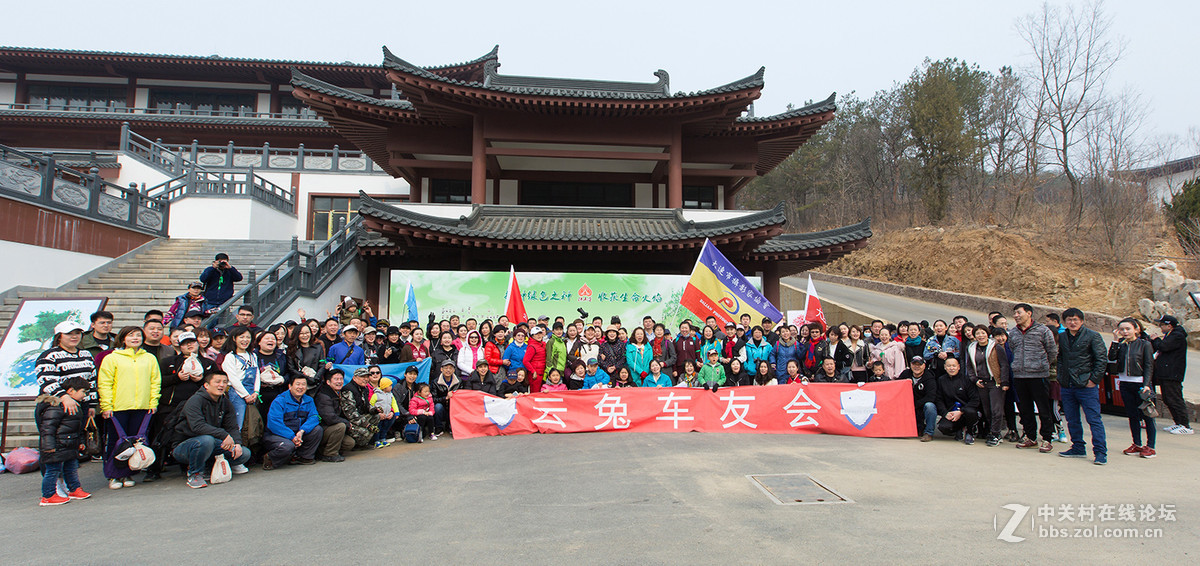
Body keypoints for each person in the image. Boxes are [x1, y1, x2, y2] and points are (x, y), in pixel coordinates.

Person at [97, 326, 161, 490]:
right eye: (131, 335)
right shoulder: (112, 358)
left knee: (135, 441)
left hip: (142, 406)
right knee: (116, 442)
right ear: (123, 338)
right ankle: (113, 475)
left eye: (138, 335)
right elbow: (104, 383)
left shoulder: (149, 358)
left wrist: (153, 402)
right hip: (118, 407)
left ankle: (127, 473)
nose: (135, 338)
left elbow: (155, 382)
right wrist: (106, 405)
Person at [169, 370, 252, 489]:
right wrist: (224, 435)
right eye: (217, 382)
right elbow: (197, 426)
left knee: (244, 453)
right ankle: (194, 474)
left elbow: (232, 427)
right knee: (206, 440)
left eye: (224, 382)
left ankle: (209, 466)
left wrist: (237, 443)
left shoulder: (225, 402)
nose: (221, 385)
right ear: (206, 385)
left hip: (212, 443)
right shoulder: (195, 400)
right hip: (185, 446)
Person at [1055, 308, 1108, 464]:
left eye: (1076, 319)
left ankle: (1100, 452)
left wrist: (1093, 380)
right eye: (1069, 320)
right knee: (1072, 419)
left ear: (1082, 321)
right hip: (1067, 385)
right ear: (1065, 322)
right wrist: (1060, 376)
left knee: (1094, 419)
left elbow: (1101, 360)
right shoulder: (1063, 337)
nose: (1072, 322)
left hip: (1086, 385)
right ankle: (1078, 447)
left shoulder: (1093, 336)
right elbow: (1060, 358)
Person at [1008, 303, 1059, 453]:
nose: (1016, 316)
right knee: (1025, 408)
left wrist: (1042, 365)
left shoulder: (1043, 330)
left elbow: (1052, 351)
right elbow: (1013, 349)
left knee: (1043, 408)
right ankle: (1030, 437)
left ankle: (1047, 438)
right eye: (1014, 313)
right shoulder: (1013, 333)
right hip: (1019, 375)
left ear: (1029, 313)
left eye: (1018, 313)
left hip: (1039, 375)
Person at [36, 376, 92, 506]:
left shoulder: (76, 405)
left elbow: (77, 427)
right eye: (83, 392)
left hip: (70, 444)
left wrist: (80, 441)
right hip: (56, 446)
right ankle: (48, 496)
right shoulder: (55, 406)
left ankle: (74, 489)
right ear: (71, 391)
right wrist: (49, 447)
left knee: (71, 468)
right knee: (53, 471)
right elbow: (47, 429)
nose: (84, 395)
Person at [1110, 318, 1159, 459]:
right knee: (1132, 415)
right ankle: (1136, 443)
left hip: (1140, 384)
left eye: (1128, 329)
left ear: (1136, 329)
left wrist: (1146, 385)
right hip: (1125, 383)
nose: (1125, 332)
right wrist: (1114, 340)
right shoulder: (1120, 344)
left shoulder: (1145, 344)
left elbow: (1149, 366)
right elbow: (1112, 357)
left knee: (1148, 415)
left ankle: (1150, 446)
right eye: (1122, 329)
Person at [963, 325, 1010, 447]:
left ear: (987, 334)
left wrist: (1004, 382)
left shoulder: (996, 347)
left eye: (983, 333)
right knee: (987, 410)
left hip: (995, 382)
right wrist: (974, 379)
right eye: (977, 333)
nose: (980, 336)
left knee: (996, 409)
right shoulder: (972, 348)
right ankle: (992, 431)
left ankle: (996, 434)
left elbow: (1004, 365)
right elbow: (969, 366)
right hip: (981, 382)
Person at [262, 375, 322, 469]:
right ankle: (270, 459)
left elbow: (315, 417)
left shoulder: (308, 400)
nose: (301, 387)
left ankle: (303, 457)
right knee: (287, 446)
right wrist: (292, 436)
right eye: (298, 384)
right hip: (277, 435)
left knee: (317, 430)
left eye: (303, 384)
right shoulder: (280, 401)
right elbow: (274, 424)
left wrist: (302, 431)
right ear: (290, 386)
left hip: (297, 433)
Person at [1151, 315, 1192, 434]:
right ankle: (1177, 423)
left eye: (1162, 325)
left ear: (1169, 326)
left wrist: (1155, 339)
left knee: (1175, 398)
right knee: (1167, 398)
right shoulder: (1170, 335)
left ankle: (1185, 425)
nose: (1160, 328)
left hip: (1172, 374)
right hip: (1166, 373)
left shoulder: (1177, 336)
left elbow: (1163, 346)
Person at [220, 327, 259, 429]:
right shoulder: (230, 357)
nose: (245, 340)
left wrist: (256, 391)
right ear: (234, 338)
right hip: (237, 393)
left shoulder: (253, 355)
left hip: (252, 393)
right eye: (241, 337)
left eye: (248, 337)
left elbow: (257, 374)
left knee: (251, 423)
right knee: (238, 423)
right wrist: (246, 395)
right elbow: (233, 378)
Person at [312, 369, 355, 462]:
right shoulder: (324, 396)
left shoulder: (339, 393)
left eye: (341, 379)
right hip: (322, 428)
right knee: (341, 426)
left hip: (331, 428)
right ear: (328, 382)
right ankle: (330, 454)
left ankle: (323, 450)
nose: (339, 381)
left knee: (349, 443)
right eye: (336, 379)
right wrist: (346, 423)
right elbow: (330, 418)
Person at [933, 358, 979, 445]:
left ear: (958, 367)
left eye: (954, 366)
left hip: (965, 411)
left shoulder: (966, 380)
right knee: (944, 428)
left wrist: (961, 411)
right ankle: (958, 429)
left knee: (971, 412)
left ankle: (970, 432)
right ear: (945, 367)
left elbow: (975, 400)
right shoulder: (941, 380)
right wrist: (945, 413)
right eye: (949, 366)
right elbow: (938, 399)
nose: (951, 368)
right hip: (951, 411)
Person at [340, 368, 381, 450]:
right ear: (354, 378)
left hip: (360, 417)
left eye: (367, 377)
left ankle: (363, 443)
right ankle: (357, 443)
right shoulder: (348, 390)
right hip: (349, 421)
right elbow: (351, 414)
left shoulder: (364, 389)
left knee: (377, 416)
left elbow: (367, 406)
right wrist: (367, 425)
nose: (366, 379)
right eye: (362, 377)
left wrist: (375, 410)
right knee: (365, 431)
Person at [901, 357, 938, 441]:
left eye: (919, 364)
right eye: (914, 364)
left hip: (922, 405)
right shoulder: (905, 374)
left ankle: (929, 433)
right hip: (907, 405)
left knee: (930, 406)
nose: (916, 367)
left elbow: (931, 397)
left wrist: (914, 405)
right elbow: (896, 387)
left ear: (924, 366)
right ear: (910, 365)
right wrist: (904, 383)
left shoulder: (929, 377)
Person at [288, 323, 326, 391]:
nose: (305, 335)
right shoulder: (292, 349)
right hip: (299, 384)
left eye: (307, 333)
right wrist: (307, 378)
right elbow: (291, 368)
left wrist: (316, 378)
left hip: (316, 383)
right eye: (301, 333)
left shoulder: (318, 347)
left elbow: (322, 364)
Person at [431, 359, 460, 437]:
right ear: (441, 369)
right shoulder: (435, 382)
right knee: (438, 407)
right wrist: (446, 398)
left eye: (450, 368)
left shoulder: (458, 381)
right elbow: (433, 399)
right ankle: (438, 427)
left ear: (454, 370)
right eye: (446, 368)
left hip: (453, 408)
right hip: (442, 408)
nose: (448, 370)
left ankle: (451, 426)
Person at [369, 378, 399, 449]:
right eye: (390, 385)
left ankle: (383, 439)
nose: (391, 387)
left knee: (385, 428)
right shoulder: (376, 394)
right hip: (378, 416)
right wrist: (375, 412)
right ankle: (376, 441)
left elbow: (394, 403)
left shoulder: (390, 395)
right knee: (378, 428)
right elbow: (371, 404)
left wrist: (396, 412)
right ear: (385, 387)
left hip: (387, 415)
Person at [523, 326, 547, 392]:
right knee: (535, 393)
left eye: (540, 333)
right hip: (535, 374)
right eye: (536, 334)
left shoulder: (542, 344)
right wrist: (533, 371)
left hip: (542, 372)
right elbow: (525, 361)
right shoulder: (532, 346)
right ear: (532, 335)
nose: (539, 335)